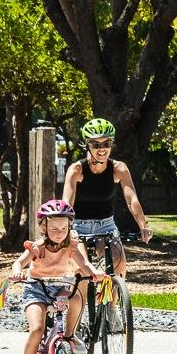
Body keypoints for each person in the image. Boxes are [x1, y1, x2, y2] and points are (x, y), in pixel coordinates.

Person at [6, 198, 94, 354]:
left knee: (76, 297)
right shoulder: (38, 247)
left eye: (64, 229)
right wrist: (16, 271)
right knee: (37, 329)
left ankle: (69, 336)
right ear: (44, 227)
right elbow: (19, 262)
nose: (60, 233)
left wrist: (95, 273)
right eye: (54, 229)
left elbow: (83, 264)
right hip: (36, 289)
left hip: (59, 288)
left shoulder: (70, 245)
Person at [61, 117, 152, 281]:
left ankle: (112, 306)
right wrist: (67, 230)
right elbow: (67, 203)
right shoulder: (76, 169)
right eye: (96, 145)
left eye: (106, 144)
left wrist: (143, 225)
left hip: (106, 225)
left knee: (118, 266)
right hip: (79, 226)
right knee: (81, 273)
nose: (101, 149)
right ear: (87, 145)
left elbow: (132, 200)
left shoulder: (118, 168)